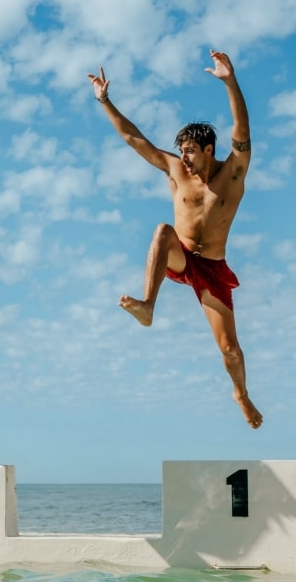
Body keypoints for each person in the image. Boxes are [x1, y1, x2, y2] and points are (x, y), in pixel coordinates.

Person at [87, 50, 262, 429]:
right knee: (162, 231)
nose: (182, 158)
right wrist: (105, 101)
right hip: (179, 256)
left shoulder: (231, 175)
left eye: (189, 152)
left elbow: (243, 133)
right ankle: (148, 305)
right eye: (180, 151)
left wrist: (230, 82)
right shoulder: (175, 170)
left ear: (209, 150)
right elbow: (135, 140)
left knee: (230, 350)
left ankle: (241, 395)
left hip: (212, 267)